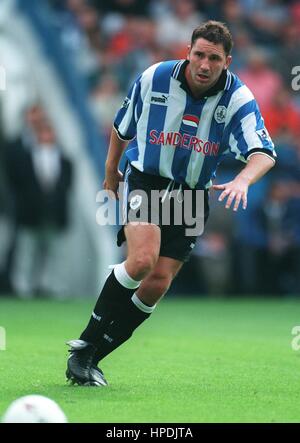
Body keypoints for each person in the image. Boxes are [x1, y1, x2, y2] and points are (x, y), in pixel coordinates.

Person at [66, 20, 276, 386]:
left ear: (227, 61)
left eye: (214, 58)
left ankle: (91, 358)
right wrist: (110, 171)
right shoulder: (154, 78)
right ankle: (84, 346)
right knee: (143, 260)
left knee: (157, 283)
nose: (205, 64)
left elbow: (264, 152)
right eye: (199, 54)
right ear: (188, 52)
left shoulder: (238, 99)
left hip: (192, 194)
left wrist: (243, 179)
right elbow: (121, 128)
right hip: (146, 180)